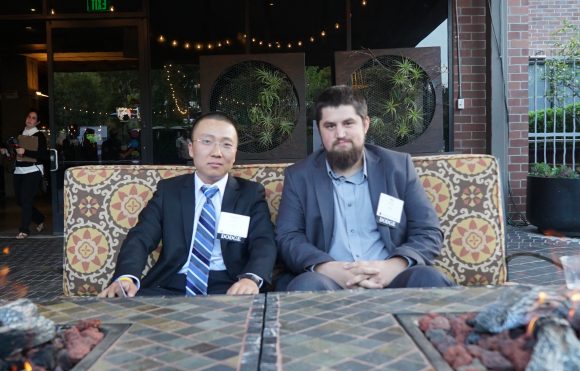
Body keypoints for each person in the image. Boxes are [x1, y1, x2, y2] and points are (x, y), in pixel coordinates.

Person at [276, 85, 453, 291]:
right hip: (330, 282)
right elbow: (288, 237)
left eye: (348, 123)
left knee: (429, 279)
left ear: (365, 124)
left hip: (391, 279)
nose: (340, 133)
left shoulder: (397, 167)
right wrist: (328, 268)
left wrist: (393, 266)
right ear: (319, 129)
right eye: (330, 126)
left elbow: (427, 230)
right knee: (306, 286)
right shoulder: (299, 176)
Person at [99, 112, 277, 297]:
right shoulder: (169, 191)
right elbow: (141, 237)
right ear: (191, 149)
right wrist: (126, 277)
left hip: (229, 285)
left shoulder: (250, 194)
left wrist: (251, 278)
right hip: (170, 284)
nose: (216, 152)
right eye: (207, 142)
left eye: (226, 144)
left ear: (234, 153)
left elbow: (263, 241)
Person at [4, 109, 48, 239]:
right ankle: (39, 218)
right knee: (20, 201)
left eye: (33, 118)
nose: (30, 119)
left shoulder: (39, 136)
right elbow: (15, 152)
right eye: (29, 116)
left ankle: (24, 230)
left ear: (37, 122)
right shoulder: (20, 133)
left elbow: (43, 155)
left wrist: (26, 152)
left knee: (26, 200)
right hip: (19, 170)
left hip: (33, 170)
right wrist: (7, 152)